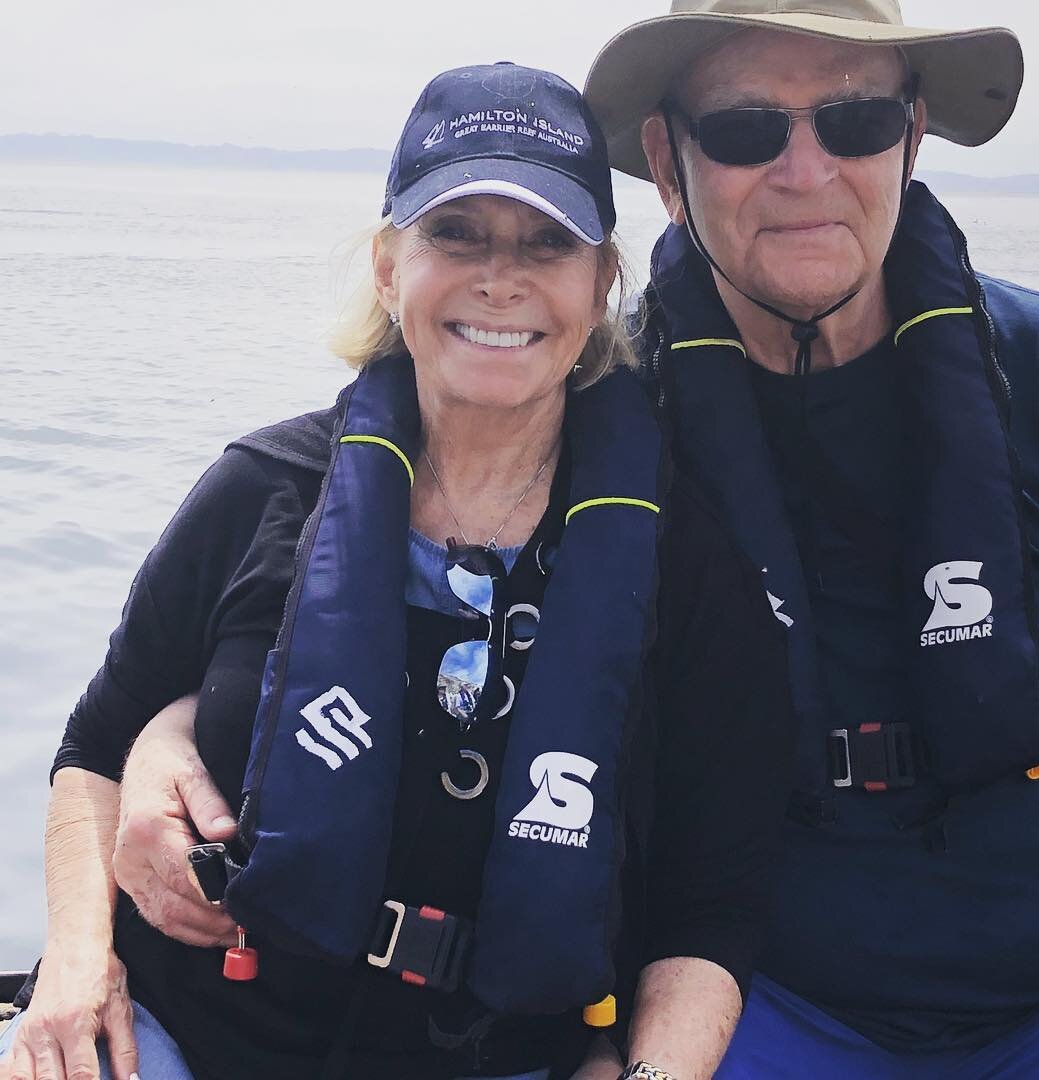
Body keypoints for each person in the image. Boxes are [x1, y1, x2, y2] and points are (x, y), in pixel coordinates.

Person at [0, 63, 793, 1080]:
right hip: (182, 1034)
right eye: (455, 233)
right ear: (387, 267)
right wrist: (74, 964)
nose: (499, 277)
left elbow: (711, 902)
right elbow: (98, 745)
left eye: (548, 241)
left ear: (601, 285)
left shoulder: (682, 563)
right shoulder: (260, 489)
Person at [580, 1, 1039, 1077]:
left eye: (851, 123)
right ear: (668, 162)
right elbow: (352, 549)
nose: (806, 171)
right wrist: (144, 749)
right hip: (757, 1003)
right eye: (748, 131)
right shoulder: (596, 420)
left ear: (910, 134)